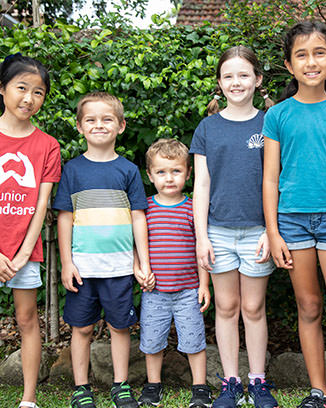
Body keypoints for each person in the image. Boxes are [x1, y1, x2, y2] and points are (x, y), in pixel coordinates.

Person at [262, 21, 326, 408]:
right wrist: (273, 232)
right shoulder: (278, 116)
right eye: (301, 55)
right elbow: (270, 179)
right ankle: (318, 391)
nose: (311, 61)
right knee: (308, 308)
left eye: (319, 53)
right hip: (292, 222)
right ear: (289, 65)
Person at [0, 54, 61, 408]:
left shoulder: (47, 145)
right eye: (21, 88)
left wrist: (19, 255)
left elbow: (40, 206)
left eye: (38, 92)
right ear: (1, 88)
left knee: (27, 319)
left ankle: (28, 400)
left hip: (24, 251)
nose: (29, 99)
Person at [190, 45, 279, 408]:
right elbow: (201, 185)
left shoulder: (270, 124)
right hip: (218, 234)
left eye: (244, 75)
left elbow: (279, 180)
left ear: (257, 79)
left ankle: (258, 382)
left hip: (259, 232)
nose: (236, 82)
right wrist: (201, 238)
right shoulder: (208, 128)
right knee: (226, 307)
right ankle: (230, 383)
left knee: (254, 308)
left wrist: (270, 232)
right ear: (219, 83)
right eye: (229, 76)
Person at [53, 92, 151, 408]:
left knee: (120, 327)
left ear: (120, 126)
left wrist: (142, 261)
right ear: (80, 127)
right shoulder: (72, 170)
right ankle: (82, 388)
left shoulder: (128, 170)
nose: (99, 125)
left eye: (107, 119)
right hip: (82, 267)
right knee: (81, 328)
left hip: (120, 267)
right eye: (91, 120)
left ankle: (120, 385)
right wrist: (67, 263)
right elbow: (64, 218)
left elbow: (138, 216)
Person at [137, 138, 212, 408]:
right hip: (154, 291)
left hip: (188, 289)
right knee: (152, 340)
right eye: (161, 172)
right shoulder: (145, 209)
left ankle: (200, 387)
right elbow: (137, 245)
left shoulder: (193, 207)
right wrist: (139, 270)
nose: (169, 178)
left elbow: (200, 249)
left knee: (194, 340)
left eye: (176, 171)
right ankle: (153, 385)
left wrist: (204, 285)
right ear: (150, 175)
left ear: (188, 173)